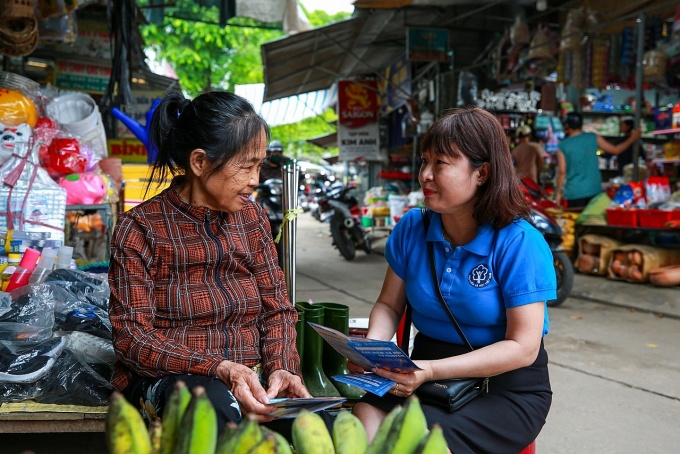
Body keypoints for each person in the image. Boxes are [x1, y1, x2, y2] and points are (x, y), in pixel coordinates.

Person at [350, 107, 556, 453]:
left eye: (441, 163)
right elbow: (389, 304)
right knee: (363, 416)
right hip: (422, 377)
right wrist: (372, 349)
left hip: (502, 389)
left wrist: (429, 370)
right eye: (424, 161)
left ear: (482, 173)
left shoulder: (519, 243)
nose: (425, 175)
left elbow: (523, 346)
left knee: (423, 442)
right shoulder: (411, 229)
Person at [108, 90, 311, 433]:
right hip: (176, 380)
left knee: (322, 426)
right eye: (246, 166)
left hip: (253, 379)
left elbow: (277, 308)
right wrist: (220, 368)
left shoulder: (253, 218)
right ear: (199, 163)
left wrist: (282, 368)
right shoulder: (140, 228)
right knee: (212, 409)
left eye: (259, 166)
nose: (255, 181)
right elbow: (132, 339)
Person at [555, 112, 641, 209]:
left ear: (567, 125)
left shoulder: (563, 146)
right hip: (594, 189)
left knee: (575, 221)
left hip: (574, 192)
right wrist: (632, 138)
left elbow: (562, 171)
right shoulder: (593, 138)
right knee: (593, 220)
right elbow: (616, 150)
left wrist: (558, 193)